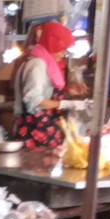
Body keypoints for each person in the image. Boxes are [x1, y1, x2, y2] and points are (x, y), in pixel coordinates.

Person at [13, 21, 88, 149]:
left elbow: (43, 92)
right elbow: (34, 101)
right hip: (32, 133)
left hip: (43, 130)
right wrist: (67, 104)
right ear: (53, 45)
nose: (64, 53)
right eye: (62, 49)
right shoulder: (37, 65)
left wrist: (66, 91)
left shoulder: (45, 63)